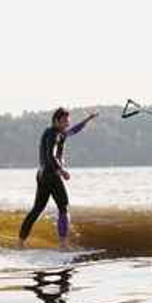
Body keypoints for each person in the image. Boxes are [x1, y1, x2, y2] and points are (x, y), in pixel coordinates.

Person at [18, 107, 99, 249]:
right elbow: (51, 155)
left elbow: (74, 130)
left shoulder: (53, 132)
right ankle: (63, 245)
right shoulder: (55, 134)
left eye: (68, 121)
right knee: (63, 207)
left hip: (42, 174)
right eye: (65, 121)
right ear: (56, 121)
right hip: (52, 175)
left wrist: (87, 120)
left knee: (37, 209)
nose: (67, 123)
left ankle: (20, 243)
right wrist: (61, 171)